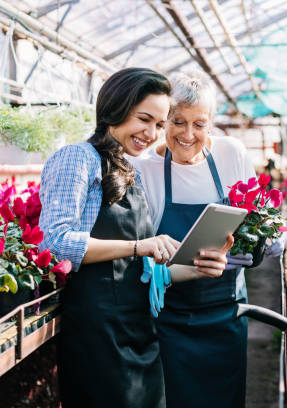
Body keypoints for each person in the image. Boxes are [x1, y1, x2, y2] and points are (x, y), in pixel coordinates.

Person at [38, 68, 231, 407]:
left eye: (159, 124)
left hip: (139, 329)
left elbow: (141, 272)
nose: (152, 133)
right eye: (145, 119)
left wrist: (199, 267)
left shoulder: (129, 170)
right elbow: (55, 241)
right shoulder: (78, 158)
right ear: (115, 109)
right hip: (98, 334)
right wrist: (138, 245)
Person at [130, 70, 285, 408]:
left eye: (199, 124)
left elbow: (258, 220)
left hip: (226, 313)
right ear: (163, 122)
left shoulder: (232, 154)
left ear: (212, 124)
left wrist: (257, 249)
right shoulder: (143, 169)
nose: (188, 134)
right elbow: (137, 251)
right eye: (177, 122)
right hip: (170, 319)